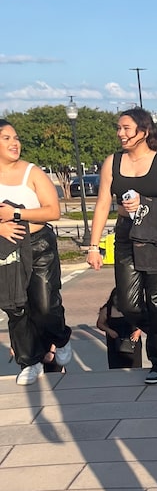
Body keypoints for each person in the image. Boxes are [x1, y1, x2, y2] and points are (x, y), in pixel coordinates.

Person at [86, 107, 157, 385]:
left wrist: (146, 204)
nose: (121, 133)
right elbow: (103, 204)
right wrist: (94, 246)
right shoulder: (113, 162)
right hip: (126, 236)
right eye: (118, 128)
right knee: (128, 303)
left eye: (127, 128)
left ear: (143, 131)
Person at [0, 120, 72, 385]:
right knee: (16, 308)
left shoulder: (32, 172)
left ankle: (61, 337)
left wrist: (16, 215)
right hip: (6, 250)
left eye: (16, 137)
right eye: (6, 138)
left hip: (38, 245)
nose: (14, 143)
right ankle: (29, 361)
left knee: (43, 304)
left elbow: (53, 211)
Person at [96, 287, 143, 369]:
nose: (117, 301)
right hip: (115, 342)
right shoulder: (107, 310)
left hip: (132, 341)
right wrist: (109, 330)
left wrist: (138, 331)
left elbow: (144, 321)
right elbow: (100, 324)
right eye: (116, 299)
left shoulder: (133, 308)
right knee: (116, 367)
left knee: (135, 367)